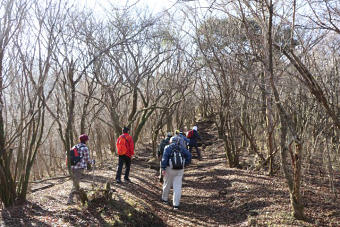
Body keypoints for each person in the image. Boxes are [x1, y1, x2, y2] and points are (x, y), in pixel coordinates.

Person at [161, 136, 191, 210]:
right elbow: (189, 156)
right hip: (180, 169)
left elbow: (164, 158)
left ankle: (165, 199)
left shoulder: (167, 147)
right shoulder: (181, 148)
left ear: (171, 141)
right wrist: (185, 164)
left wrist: (163, 168)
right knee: (177, 186)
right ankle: (176, 205)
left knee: (167, 184)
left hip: (169, 169)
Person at [67, 134, 93, 204]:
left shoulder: (75, 146)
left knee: (76, 183)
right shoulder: (85, 148)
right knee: (75, 184)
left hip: (72, 167)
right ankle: (70, 200)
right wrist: (92, 162)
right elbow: (87, 159)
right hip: (79, 168)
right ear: (86, 140)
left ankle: (79, 199)